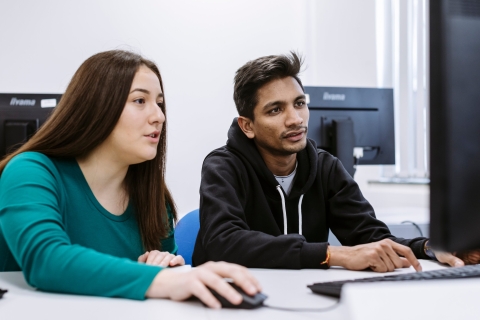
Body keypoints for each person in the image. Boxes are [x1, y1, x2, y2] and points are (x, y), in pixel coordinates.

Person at [0, 50, 260, 308]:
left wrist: (166, 265)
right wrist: (162, 280)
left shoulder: (151, 196)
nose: (159, 115)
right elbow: (46, 260)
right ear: (96, 107)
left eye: (159, 103)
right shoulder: (30, 171)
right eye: (139, 101)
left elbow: (162, 281)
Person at [192, 52, 468, 272]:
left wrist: (429, 247)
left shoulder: (325, 168)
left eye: (299, 104)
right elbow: (223, 243)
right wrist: (331, 254)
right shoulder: (223, 167)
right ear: (247, 126)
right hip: (232, 303)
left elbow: (369, 237)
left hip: (304, 300)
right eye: (276, 109)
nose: (295, 119)